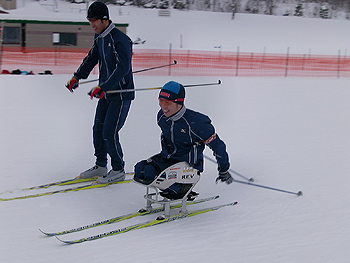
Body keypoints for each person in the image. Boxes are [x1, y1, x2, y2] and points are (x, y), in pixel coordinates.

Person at [65, 1, 134, 184]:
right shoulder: (100, 38)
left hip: (120, 94)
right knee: (98, 129)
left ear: (105, 19)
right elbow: (91, 58)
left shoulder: (121, 39)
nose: (92, 25)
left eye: (94, 21)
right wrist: (77, 76)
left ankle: (118, 169)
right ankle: (101, 165)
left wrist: (104, 86)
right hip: (106, 92)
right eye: (90, 21)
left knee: (109, 132)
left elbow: (123, 68)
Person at [134, 81, 233, 199]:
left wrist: (223, 170)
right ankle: (172, 186)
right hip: (168, 158)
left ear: (179, 103)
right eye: (160, 101)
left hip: (188, 166)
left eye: (167, 103)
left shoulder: (197, 123)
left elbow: (218, 147)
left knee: (150, 172)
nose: (163, 107)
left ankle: (181, 189)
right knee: (140, 168)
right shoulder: (162, 117)